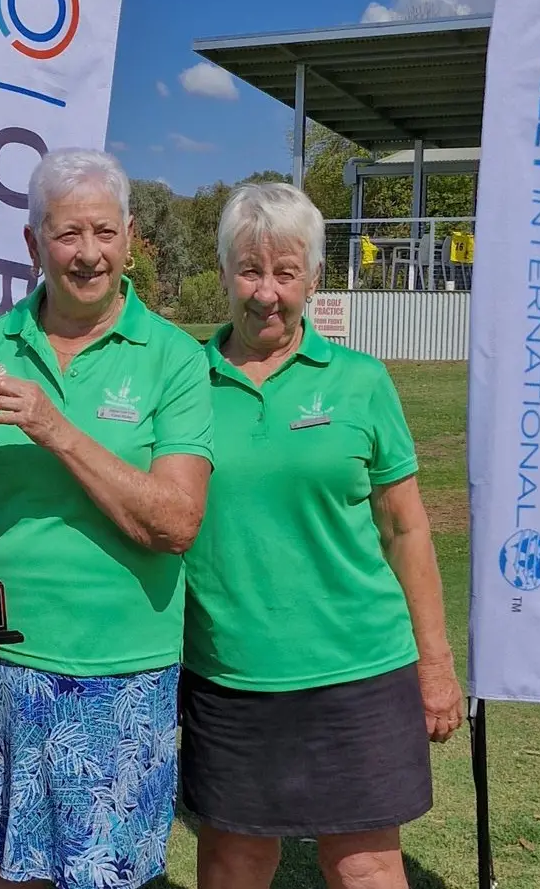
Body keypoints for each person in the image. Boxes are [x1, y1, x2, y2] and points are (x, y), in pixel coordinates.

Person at [178, 181, 465, 889]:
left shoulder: (361, 382)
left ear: (312, 276)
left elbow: (405, 527)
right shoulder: (181, 382)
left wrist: (435, 663)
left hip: (358, 670)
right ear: (223, 273)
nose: (266, 291)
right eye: (249, 268)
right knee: (232, 865)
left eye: (285, 271)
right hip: (229, 674)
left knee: (363, 865)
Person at [0, 148, 215, 889]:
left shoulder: (174, 358)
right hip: (2, 670)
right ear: (34, 245)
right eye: (67, 234)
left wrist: (55, 427)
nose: (88, 253)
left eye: (104, 232)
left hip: (119, 675)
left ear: (130, 238)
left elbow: (177, 521)